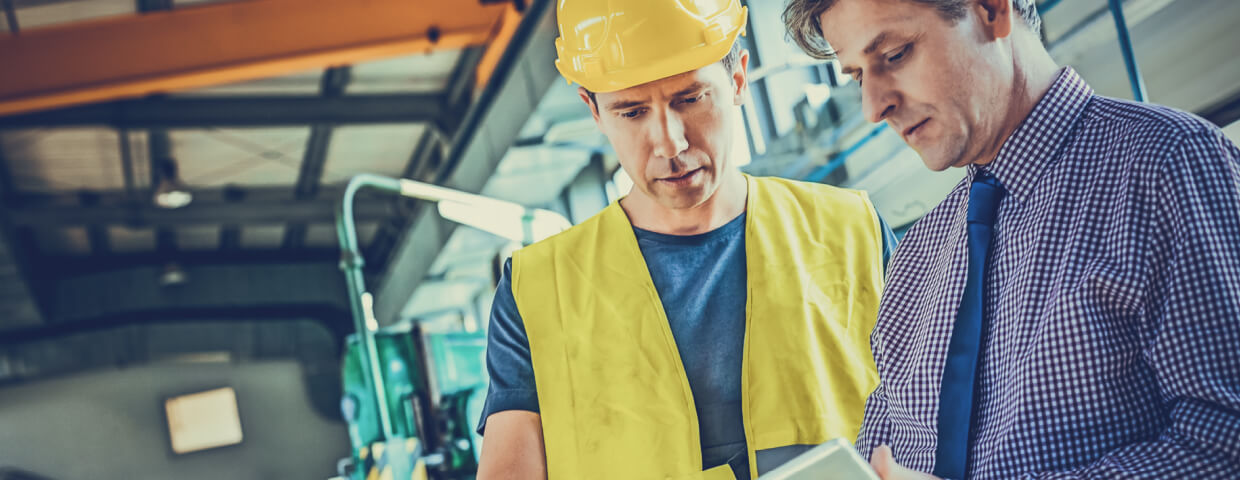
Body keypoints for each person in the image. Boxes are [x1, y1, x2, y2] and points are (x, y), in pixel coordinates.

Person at [782, 0, 1240, 478]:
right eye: (858, 76)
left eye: (895, 54)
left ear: (991, 11)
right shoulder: (917, 257)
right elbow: (875, 457)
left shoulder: (1167, 165)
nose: (874, 107)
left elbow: (1227, 443)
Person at [474, 1, 897, 479]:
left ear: (738, 79)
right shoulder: (536, 291)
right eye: (632, 112)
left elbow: (936, 424)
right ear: (594, 110)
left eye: (690, 98)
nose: (670, 143)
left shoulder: (851, 230)